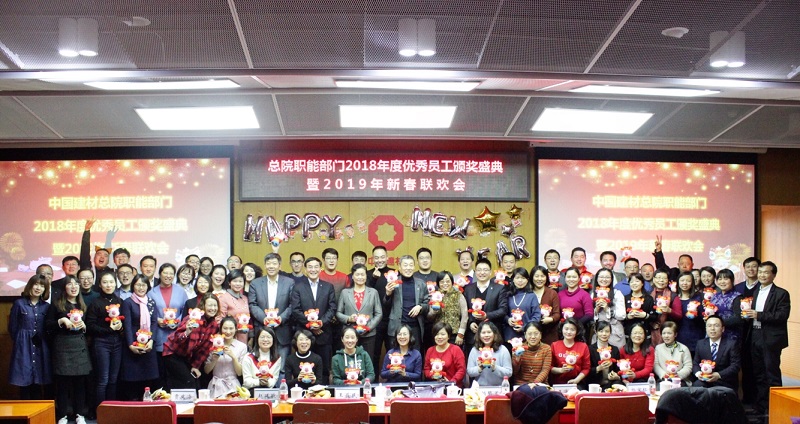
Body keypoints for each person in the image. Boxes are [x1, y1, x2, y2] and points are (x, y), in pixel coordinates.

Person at [743, 261, 791, 415]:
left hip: (771, 338)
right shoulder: (757, 291)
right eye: (760, 272)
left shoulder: (781, 293)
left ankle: (775, 409)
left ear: (773, 275)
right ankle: (761, 406)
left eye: (766, 272)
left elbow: (782, 315)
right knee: (759, 374)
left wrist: (759, 315)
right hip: (755, 335)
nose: (762, 275)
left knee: (771, 374)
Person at [45, 275, 91, 424]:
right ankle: (62, 415)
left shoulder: (82, 305)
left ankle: (79, 414)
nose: (74, 287)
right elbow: (48, 326)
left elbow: (89, 327)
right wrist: (61, 320)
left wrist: (84, 326)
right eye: (70, 284)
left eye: (76, 284)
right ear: (64, 288)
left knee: (80, 384)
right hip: (62, 347)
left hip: (79, 347)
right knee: (63, 384)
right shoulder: (56, 305)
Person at [290, 257, 337, 383]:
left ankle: (324, 392)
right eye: (310, 267)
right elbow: (295, 309)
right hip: (304, 335)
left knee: (325, 368)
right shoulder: (298, 287)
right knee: (302, 368)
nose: (313, 269)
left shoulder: (328, 287)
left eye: (316, 267)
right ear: (305, 269)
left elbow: (332, 308)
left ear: (320, 269)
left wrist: (320, 323)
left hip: (324, 333)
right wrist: (311, 325)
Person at [162, 293, 221, 390]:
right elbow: (177, 339)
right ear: (203, 306)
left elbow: (205, 350)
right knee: (188, 382)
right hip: (173, 353)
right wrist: (187, 332)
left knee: (196, 385)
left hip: (187, 357)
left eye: (215, 305)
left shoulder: (214, 325)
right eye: (210, 305)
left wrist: (196, 366)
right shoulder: (193, 318)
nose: (213, 308)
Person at [8, 274, 51, 400]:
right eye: (36, 284)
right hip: (23, 347)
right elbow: (13, 327)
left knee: (39, 380)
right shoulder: (19, 304)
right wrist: (21, 340)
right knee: (24, 380)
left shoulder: (46, 306)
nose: (38, 288)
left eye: (42, 286)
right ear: (30, 286)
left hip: (41, 346)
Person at [249, 253, 295, 367]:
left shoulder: (289, 282)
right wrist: (264, 318)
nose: (271, 266)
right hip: (262, 330)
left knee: (282, 368)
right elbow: (253, 304)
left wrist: (281, 318)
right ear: (265, 265)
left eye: (274, 263)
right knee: (261, 367)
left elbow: (292, 304)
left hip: (282, 331)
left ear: (279, 266)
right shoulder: (256, 283)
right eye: (268, 263)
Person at [85, 272, 124, 406]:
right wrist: (109, 330)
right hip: (101, 343)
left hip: (118, 343)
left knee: (113, 379)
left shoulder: (120, 301)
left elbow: (125, 322)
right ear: (100, 285)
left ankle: (111, 410)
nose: (108, 285)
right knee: (103, 380)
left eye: (111, 282)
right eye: (105, 282)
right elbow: (90, 326)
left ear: (115, 283)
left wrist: (121, 328)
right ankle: (100, 411)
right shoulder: (95, 303)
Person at [120, 274, 158, 400]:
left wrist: (151, 341)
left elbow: (154, 322)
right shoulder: (128, 302)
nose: (141, 288)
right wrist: (131, 345)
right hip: (132, 345)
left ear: (148, 287)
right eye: (138, 285)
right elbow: (127, 325)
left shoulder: (151, 302)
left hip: (148, 345)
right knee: (132, 380)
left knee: (148, 379)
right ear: (133, 286)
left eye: (143, 285)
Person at [149, 263, 188, 381]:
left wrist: (178, 321)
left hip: (177, 335)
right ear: (160, 274)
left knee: (176, 373)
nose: (168, 276)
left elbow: (186, 311)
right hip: (159, 335)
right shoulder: (151, 292)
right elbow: (148, 312)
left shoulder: (181, 291)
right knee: (161, 372)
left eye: (171, 273)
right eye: (165, 273)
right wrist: (157, 320)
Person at [337, 264, 383, 361]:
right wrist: (349, 319)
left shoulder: (373, 292)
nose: (360, 277)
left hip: (368, 335)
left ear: (366, 276)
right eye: (357, 274)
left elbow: (379, 313)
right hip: (350, 334)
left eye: (363, 274)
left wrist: (368, 327)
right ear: (352, 276)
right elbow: (338, 313)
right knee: (349, 361)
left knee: (367, 361)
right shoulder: (345, 292)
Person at [385, 255, 429, 352]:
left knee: (415, 355)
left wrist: (420, 307)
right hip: (397, 326)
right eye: (405, 265)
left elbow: (428, 303)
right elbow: (386, 306)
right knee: (395, 356)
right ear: (400, 267)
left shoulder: (421, 284)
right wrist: (388, 294)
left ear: (414, 267)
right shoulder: (393, 282)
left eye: (410, 265)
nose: (408, 268)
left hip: (415, 327)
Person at [463, 258, 508, 347]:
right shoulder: (468, 289)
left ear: (490, 272)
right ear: (475, 272)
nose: (482, 272)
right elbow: (465, 310)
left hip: (492, 334)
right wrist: (470, 323)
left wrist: (486, 316)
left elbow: (503, 310)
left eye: (485, 270)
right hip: (473, 335)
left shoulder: (499, 288)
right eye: (479, 270)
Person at [692, 315, 740, 392]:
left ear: (723, 329)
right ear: (706, 328)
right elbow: (695, 363)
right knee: (697, 386)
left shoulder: (731, 344)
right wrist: (699, 373)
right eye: (709, 326)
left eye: (716, 326)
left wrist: (718, 375)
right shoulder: (700, 343)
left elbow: (735, 366)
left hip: (724, 380)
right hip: (705, 380)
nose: (712, 328)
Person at [204, 316, 247, 399]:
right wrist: (214, 360)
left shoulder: (242, 347)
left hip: (233, 385)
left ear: (236, 329)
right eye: (225, 328)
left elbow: (239, 373)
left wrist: (233, 357)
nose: (228, 332)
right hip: (215, 385)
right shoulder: (213, 345)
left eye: (231, 328)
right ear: (221, 329)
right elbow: (206, 370)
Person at [427, 270, 468, 347]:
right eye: (442, 282)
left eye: (448, 281)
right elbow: (429, 317)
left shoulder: (459, 295)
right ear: (438, 283)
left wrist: (460, 334)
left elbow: (465, 316)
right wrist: (434, 312)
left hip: (454, 334)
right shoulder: (435, 296)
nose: (445, 284)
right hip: (438, 335)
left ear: (452, 282)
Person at [467, 321, 512, 386]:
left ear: (494, 334)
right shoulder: (475, 350)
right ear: (479, 335)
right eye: (483, 333)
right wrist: (479, 368)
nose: (486, 335)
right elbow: (469, 372)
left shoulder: (503, 349)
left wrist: (495, 368)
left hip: (499, 388)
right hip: (479, 388)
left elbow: (509, 372)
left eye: (489, 332)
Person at [549, 317, 590, 387]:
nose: (568, 332)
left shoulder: (583, 346)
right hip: (558, 384)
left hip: (577, 383)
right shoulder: (554, 345)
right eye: (566, 329)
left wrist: (576, 380)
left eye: (572, 329)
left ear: (577, 331)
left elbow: (586, 368)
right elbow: (549, 367)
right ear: (562, 329)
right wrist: (560, 370)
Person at [591, 268, 626, 348]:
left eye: (607, 277)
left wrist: (607, 310)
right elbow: (590, 315)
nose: (604, 279)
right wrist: (596, 310)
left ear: (611, 279)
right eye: (601, 277)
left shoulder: (617, 293)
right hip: (599, 331)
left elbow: (622, 315)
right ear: (597, 279)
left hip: (614, 331)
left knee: (615, 353)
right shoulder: (593, 294)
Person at [424, 322, 466, 387]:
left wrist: (451, 382)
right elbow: (426, 369)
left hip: (453, 387)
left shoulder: (456, 349)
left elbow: (461, 370)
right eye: (437, 334)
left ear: (448, 336)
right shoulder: (430, 350)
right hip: (434, 387)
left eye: (443, 334)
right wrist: (432, 375)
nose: (439, 337)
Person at [504, 267, 541, 341]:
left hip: (527, 335)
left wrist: (525, 327)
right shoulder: (508, 295)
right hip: (509, 334)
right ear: (513, 279)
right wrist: (508, 319)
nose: (520, 280)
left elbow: (536, 315)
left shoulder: (532, 296)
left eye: (523, 278)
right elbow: (502, 312)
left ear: (527, 280)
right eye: (517, 278)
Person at [674, 271, 705, 356]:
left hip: (696, 335)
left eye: (688, 281)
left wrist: (696, 314)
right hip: (679, 335)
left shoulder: (699, 297)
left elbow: (704, 318)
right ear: (678, 282)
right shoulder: (674, 298)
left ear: (692, 283)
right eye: (682, 280)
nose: (685, 283)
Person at [216, 269, 250, 344]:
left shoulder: (245, 298)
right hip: (229, 337)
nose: (238, 284)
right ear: (229, 282)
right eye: (235, 281)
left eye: (240, 281)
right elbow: (219, 320)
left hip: (244, 336)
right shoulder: (223, 298)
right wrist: (230, 330)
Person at [653, 321, 692, 386]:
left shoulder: (683, 348)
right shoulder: (658, 348)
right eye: (664, 333)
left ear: (675, 334)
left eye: (669, 333)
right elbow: (655, 364)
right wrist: (663, 374)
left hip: (680, 380)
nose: (666, 336)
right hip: (663, 379)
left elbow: (688, 366)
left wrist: (678, 375)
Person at [649, 269, 681, 345]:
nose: (661, 280)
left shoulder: (673, 295)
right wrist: (650, 323)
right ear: (654, 279)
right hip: (650, 332)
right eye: (659, 278)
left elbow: (679, 316)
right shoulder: (648, 294)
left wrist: (669, 311)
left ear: (668, 281)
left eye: (664, 278)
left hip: (668, 331)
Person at [530, 266, 561, 344]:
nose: (539, 279)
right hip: (531, 333)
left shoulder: (552, 293)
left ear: (546, 278)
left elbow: (557, 314)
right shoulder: (528, 293)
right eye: (537, 276)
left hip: (549, 332)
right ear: (532, 277)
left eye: (542, 276)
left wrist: (550, 319)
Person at [586, 321, 620, 389]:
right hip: (595, 383)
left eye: (607, 331)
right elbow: (586, 370)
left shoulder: (615, 349)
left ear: (610, 333)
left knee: (618, 384)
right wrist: (598, 368)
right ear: (596, 332)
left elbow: (618, 369)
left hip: (611, 383)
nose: (604, 334)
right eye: (601, 331)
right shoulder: (590, 349)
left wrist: (616, 375)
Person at [711, 269, 741, 341]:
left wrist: (719, 323)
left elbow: (738, 318)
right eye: (720, 279)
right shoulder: (714, 296)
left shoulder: (737, 297)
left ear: (732, 280)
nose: (722, 282)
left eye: (726, 279)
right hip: (715, 334)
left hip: (731, 336)